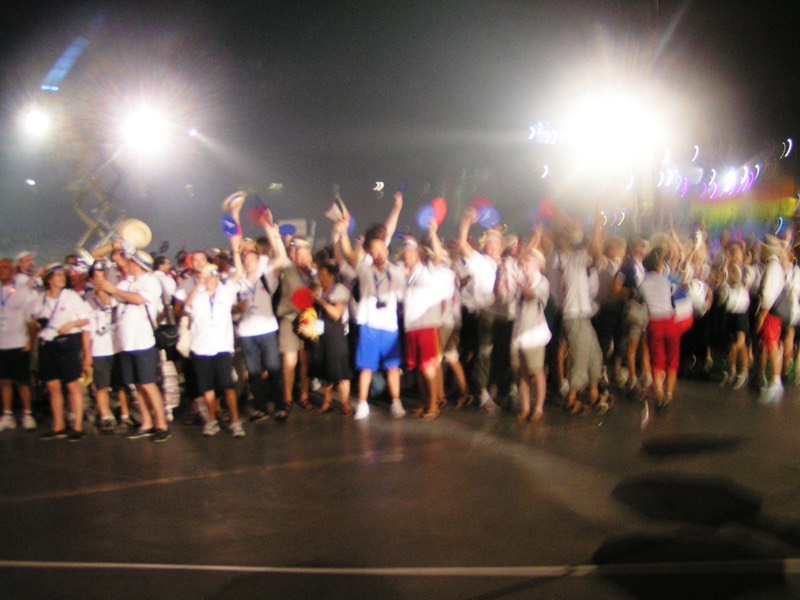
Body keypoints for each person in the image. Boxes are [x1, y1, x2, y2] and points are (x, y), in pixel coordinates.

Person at [339, 192, 407, 420]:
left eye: (382, 248)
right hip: (369, 323)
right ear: (369, 251)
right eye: (374, 249)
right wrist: (343, 232)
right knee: (366, 367)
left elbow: (388, 230)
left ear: (387, 250)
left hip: (389, 325)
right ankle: (363, 404)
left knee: (392, 367)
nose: (378, 253)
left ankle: (396, 402)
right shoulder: (364, 267)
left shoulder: (395, 270)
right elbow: (350, 255)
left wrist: (397, 208)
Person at [96, 250, 171, 442]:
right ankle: (146, 422)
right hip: (126, 342)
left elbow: (139, 299)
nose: (126, 264)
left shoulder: (150, 281)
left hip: (143, 341)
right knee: (137, 385)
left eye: (129, 261)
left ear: (137, 264)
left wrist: (114, 290)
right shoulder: (125, 282)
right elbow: (106, 302)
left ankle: (162, 424)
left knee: (148, 384)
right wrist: (101, 282)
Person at [183, 237, 245, 437]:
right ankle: (211, 420)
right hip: (201, 348)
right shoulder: (197, 295)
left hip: (222, 347)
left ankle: (235, 421)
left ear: (218, 276)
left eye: (213, 274)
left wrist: (235, 250)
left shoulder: (225, 293)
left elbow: (239, 274)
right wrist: (199, 284)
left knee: (227, 386)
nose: (210, 278)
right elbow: (186, 307)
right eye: (206, 275)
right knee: (207, 388)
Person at [31, 263, 91, 441]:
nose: (62, 278)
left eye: (62, 275)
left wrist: (71, 324)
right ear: (49, 279)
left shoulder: (71, 296)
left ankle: (77, 427)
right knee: (53, 387)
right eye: (57, 275)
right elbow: (33, 318)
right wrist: (37, 325)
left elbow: (86, 319)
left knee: (72, 385)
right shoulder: (41, 298)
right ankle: (58, 426)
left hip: (66, 342)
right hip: (47, 343)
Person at [236, 220, 288, 422]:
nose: (248, 262)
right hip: (246, 332)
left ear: (258, 260)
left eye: (252, 258)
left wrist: (272, 233)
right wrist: (237, 308)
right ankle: (260, 408)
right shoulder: (238, 280)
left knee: (274, 369)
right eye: (245, 259)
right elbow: (230, 307)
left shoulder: (266, 277)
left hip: (267, 329)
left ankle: (280, 406)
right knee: (254, 373)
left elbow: (281, 258)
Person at [400, 220, 445, 420]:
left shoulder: (428, 269)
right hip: (412, 327)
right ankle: (425, 403)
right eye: (404, 253)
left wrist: (433, 232)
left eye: (409, 253)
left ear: (417, 254)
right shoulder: (407, 277)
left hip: (427, 325)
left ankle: (434, 405)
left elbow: (438, 256)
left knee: (428, 368)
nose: (405, 256)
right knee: (419, 368)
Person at [274, 236, 317, 413]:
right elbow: (279, 253)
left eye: (307, 255)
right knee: (290, 360)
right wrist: (276, 235)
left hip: (308, 320)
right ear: (294, 256)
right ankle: (288, 398)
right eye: (301, 255)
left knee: (305, 360)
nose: (305, 258)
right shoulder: (287, 270)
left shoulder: (313, 275)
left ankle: (304, 395)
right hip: (289, 318)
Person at [508, 245, 550, 424]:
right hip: (519, 332)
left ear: (538, 264)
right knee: (522, 372)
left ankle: (538, 407)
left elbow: (530, 295)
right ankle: (525, 407)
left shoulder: (542, 282)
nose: (524, 264)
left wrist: (517, 280)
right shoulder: (523, 281)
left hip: (534, 334)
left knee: (536, 371)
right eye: (524, 261)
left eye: (528, 261)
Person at [309, 260, 353, 416]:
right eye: (319, 275)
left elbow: (336, 314)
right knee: (324, 369)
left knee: (340, 369)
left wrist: (320, 301)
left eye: (323, 275)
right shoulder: (320, 290)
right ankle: (326, 401)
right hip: (321, 332)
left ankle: (345, 403)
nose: (321, 278)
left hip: (336, 332)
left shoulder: (339, 290)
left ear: (332, 276)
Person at [0, 257, 37, 432]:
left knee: (23, 381)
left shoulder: (23, 291)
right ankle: (8, 415)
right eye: (0, 268)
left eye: (6, 267)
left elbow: (31, 319)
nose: (2, 271)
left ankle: (27, 414)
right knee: (4, 381)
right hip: (1, 344)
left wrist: (31, 341)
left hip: (19, 342)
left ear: (13, 270)